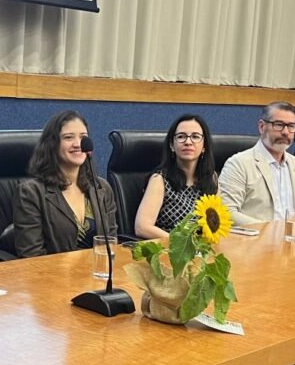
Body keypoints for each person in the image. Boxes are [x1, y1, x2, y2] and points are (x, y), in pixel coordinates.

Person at [13, 110, 119, 257]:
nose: (78, 144)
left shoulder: (102, 188)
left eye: (83, 137)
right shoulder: (31, 192)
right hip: (52, 271)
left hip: (98, 269)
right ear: (52, 144)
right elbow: (31, 255)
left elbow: (111, 243)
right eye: (68, 137)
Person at [218, 101, 295, 225]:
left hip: (293, 236)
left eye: (291, 126)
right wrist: (270, 231)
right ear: (262, 127)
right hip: (256, 236)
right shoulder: (238, 164)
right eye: (278, 125)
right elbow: (227, 212)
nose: (285, 132)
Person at [134, 114, 219, 239]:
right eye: (181, 137)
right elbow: (142, 227)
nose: (188, 142)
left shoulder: (211, 178)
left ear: (204, 146)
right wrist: (181, 244)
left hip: (202, 247)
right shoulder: (160, 180)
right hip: (167, 247)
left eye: (195, 136)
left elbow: (216, 223)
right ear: (172, 145)